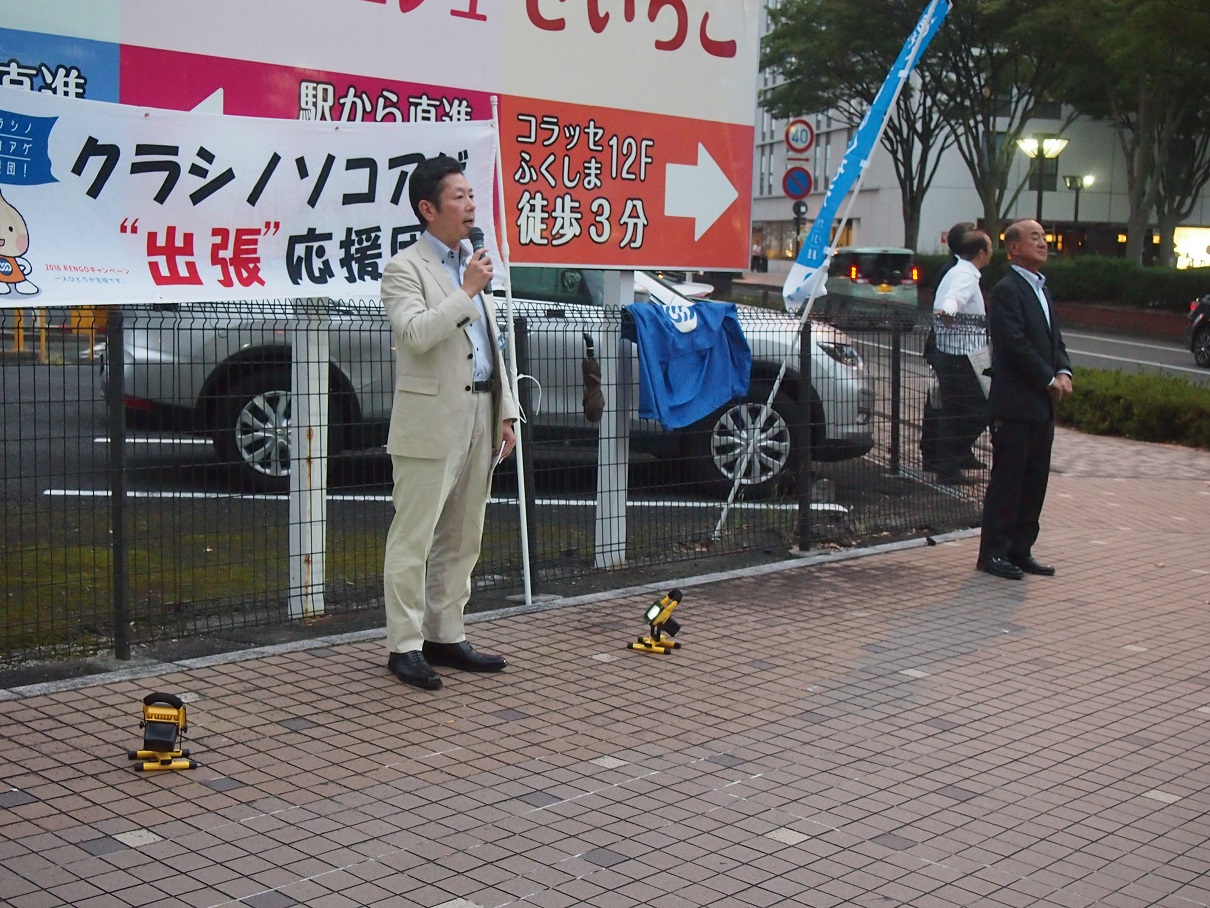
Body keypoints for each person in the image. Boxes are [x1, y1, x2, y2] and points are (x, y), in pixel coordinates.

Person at [379, 154, 520, 689]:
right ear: (428, 208)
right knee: (413, 536)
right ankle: (405, 645)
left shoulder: (474, 263)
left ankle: (445, 633)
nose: (470, 204)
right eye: (458, 196)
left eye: (471, 195)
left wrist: (506, 411)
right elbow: (415, 334)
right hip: (429, 420)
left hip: (481, 413)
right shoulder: (404, 269)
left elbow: (491, 346)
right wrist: (466, 292)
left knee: (464, 534)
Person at [977, 219, 1072, 580]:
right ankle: (994, 553)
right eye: (1034, 238)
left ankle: (1020, 549)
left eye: (1044, 238)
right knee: (1009, 480)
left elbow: (1055, 340)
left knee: (1034, 480)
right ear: (1013, 248)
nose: (1043, 243)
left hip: (1041, 406)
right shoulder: (1007, 290)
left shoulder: (1042, 290)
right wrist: (1048, 378)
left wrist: (1064, 371)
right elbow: (1014, 344)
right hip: (1015, 403)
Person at [930, 229, 992, 483]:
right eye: (990, 248)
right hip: (961, 356)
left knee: (955, 410)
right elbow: (950, 302)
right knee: (977, 409)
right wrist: (948, 312)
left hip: (954, 353)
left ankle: (948, 463)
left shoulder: (960, 271)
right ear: (981, 253)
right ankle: (948, 463)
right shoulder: (965, 275)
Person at [921, 221, 975, 473]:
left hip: (950, 347)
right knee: (948, 405)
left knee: (948, 403)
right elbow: (947, 306)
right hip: (949, 348)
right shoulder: (957, 270)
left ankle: (956, 453)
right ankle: (938, 455)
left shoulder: (958, 267)